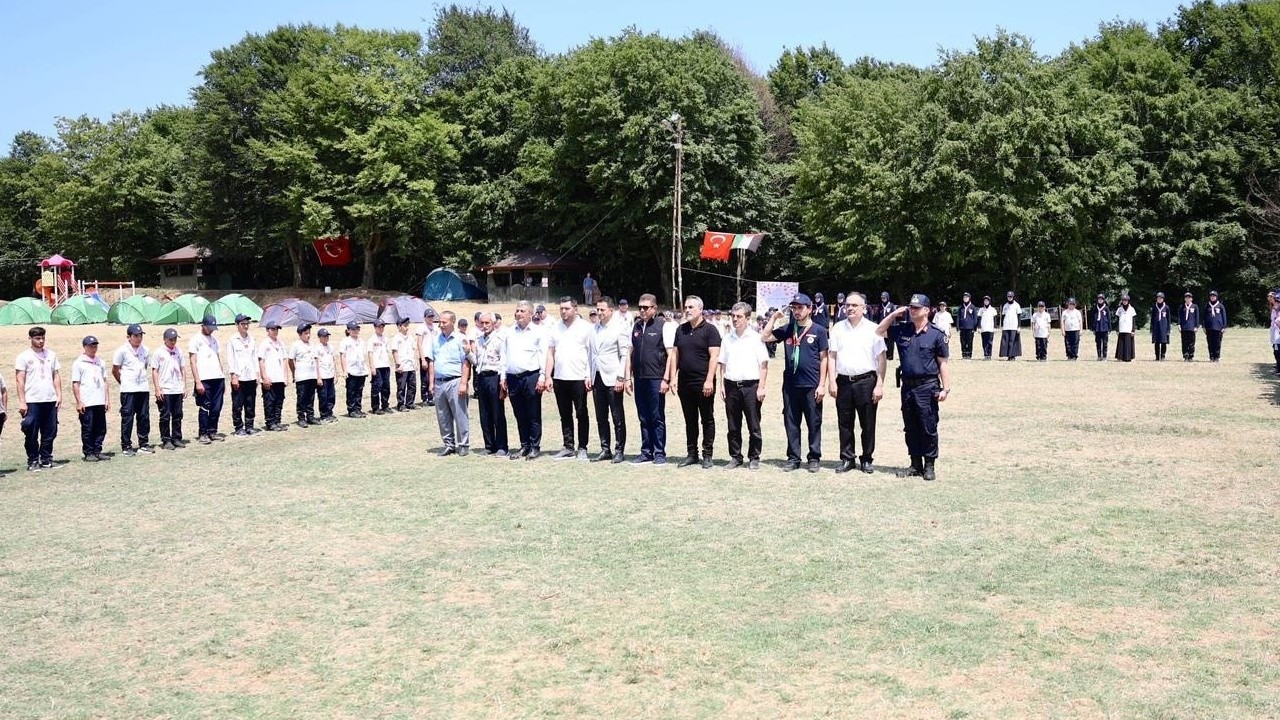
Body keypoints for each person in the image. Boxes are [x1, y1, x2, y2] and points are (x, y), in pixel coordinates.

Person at [877, 294, 951, 482]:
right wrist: (894, 314)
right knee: (910, 427)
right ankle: (915, 464)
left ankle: (929, 465)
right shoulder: (903, 330)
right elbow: (879, 331)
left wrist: (946, 389)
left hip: (928, 387)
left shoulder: (936, 334)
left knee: (928, 427)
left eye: (917, 307)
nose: (912, 310)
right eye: (910, 307)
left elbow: (943, 363)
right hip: (908, 387)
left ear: (927, 310)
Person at [764, 293, 829, 473]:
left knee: (814, 422)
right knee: (791, 422)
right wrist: (775, 317)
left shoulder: (819, 330)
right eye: (794, 308)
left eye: (800, 307)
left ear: (810, 309)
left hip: (811, 385)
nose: (797, 311)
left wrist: (822, 384)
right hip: (791, 386)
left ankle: (814, 457)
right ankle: (793, 457)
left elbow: (824, 359)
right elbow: (765, 336)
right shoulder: (788, 329)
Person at [827, 292, 885, 474]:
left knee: (867, 423)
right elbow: (832, 355)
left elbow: (882, 358)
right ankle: (847, 458)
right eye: (847, 305)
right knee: (845, 423)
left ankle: (867, 459)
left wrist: (880, 384)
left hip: (866, 381)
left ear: (864, 308)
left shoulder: (873, 329)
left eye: (854, 305)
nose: (850, 308)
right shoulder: (837, 328)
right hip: (843, 381)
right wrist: (831, 381)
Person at [670, 295, 721, 468]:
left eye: (691, 307)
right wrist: (672, 378)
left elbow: (714, 357)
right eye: (686, 307)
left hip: (703, 382)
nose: (687, 310)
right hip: (685, 383)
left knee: (707, 419)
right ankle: (692, 454)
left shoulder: (710, 330)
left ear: (700, 309)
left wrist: (709, 380)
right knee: (689, 419)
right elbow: (675, 355)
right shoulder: (681, 329)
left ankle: (707, 455)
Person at [717, 301, 768, 470]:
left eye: (739, 316)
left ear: (747, 318)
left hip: (751, 386)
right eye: (733, 316)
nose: (735, 319)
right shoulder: (727, 339)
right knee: (733, 425)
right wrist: (722, 385)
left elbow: (763, 365)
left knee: (753, 424)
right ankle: (735, 456)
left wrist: (761, 387)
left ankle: (754, 456)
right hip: (731, 386)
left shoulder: (756, 338)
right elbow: (722, 364)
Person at [627, 293, 676, 466]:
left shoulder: (664, 326)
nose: (642, 310)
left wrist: (666, 379)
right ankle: (646, 452)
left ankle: (659, 452)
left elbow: (671, 355)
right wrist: (627, 377)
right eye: (640, 307)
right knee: (643, 416)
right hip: (639, 378)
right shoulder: (636, 326)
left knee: (656, 416)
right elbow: (630, 353)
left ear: (654, 309)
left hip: (656, 378)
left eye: (646, 307)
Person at [544, 297, 593, 461]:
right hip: (559, 377)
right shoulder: (555, 327)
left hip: (579, 377)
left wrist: (588, 374)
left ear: (575, 309)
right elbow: (550, 353)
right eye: (561, 309)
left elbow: (590, 353)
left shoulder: (586, 327)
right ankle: (568, 446)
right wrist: (547, 376)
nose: (563, 311)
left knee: (581, 413)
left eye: (567, 308)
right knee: (564, 414)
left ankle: (582, 447)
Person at [502, 300, 548, 460]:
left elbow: (543, 355)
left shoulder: (538, 332)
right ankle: (524, 445)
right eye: (517, 311)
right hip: (513, 378)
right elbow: (504, 356)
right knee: (519, 414)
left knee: (533, 413)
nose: (519, 314)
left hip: (531, 377)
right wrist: (503, 376)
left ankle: (535, 447)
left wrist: (543, 376)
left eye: (522, 311)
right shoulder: (509, 332)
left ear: (530, 313)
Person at [589, 297, 629, 463]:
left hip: (613, 377)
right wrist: (588, 375)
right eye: (597, 309)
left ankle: (619, 450)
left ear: (611, 310)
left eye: (602, 310)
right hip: (597, 377)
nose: (599, 313)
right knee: (600, 416)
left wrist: (621, 377)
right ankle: (605, 448)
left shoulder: (619, 328)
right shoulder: (593, 329)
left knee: (617, 416)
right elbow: (590, 354)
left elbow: (624, 354)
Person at [16, 326, 62, 470]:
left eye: (42, 338)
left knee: (50, 431)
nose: (41, 341)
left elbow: (56, 376)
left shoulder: (51, 355)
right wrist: (22, 401)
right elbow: (19, 380)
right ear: (30, 339)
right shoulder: (23, 356)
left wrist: (59, 395)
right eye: (37, 338)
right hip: (32, 400)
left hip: (49, 399)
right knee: (31, 431)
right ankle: (33, 460)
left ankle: (46, 458)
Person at [428, 311, 471, 456]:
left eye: (444, 322)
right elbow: (432, 362)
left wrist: (463, 383)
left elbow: (466, 362)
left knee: (460, 414)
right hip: (439, 382)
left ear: (453, 322)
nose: (441, 325)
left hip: (455, 381)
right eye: (439, 322)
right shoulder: (435, 340)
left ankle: (463, 444)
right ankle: (449, 444)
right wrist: (431, 382)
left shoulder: (461, 339)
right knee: (442, 416)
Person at [470, 311, 510, 457]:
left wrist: (502, 381)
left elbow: (503, 361)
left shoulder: (499, 339)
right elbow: (477, 362)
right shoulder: (478, 339)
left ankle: (502, 446)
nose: (485, 326)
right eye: (482, 323)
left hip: (495, 377)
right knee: (484, 413)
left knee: (497, 413)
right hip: (482, 377)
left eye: (487, 323)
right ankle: (489, 445)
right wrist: (468, 353)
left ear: (493, 324)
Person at [112, 324, 153, 454]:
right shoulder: (122, 351)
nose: (138, 338)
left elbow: (145, 366)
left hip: (143, 388)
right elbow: (115, 370)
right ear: (128, 337)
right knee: (128, 418)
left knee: (143, 416)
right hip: (128, 389)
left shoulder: (145, 350)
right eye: (135, 336)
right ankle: (126, 445)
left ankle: (143, 443)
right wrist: (123, 382)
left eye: (140, 335)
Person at [189, 315, 226, 444]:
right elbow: (193, 362)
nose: (211, 330)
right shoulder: (195, 340)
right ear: (203, 325)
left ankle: (212, 431)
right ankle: (203, 433)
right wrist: (197, 381)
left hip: (218, 377)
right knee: (205, 406)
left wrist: (222, 374)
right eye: (209, 327)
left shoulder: (215, 341)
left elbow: (217, 358)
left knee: (217, 406)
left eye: (213, 328)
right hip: (204, 378)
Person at [72, 336, 109, 463]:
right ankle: (88, 452)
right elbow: (75, 383)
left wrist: (107, 399)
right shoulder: (79, 363)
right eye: (91, 346)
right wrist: (79, 401)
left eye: (95, 346)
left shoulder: (100, 362)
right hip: (87, 401)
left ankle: (97, 450)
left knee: (101, 428)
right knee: (88, 428)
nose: (93, 348)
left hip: (99, 400)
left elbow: (105, 381)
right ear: (85, 347)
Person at [149, 328, 187, 449]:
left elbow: (183, 369)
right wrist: (157, 388)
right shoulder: (158, 352)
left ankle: (176, 438)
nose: (173, 341)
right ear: (165, 339)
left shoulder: (179, 351)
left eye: (175, 339)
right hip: (165, 388)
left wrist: (184, 386)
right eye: (170, 339)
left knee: (178, 415)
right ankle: (166, 439)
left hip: (177, 388)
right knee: (165, 415)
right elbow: (155, 371)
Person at [225, 314, 259, 436]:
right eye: (243, 324)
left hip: (250, 376)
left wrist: (256, 374)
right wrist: (233, 375)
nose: (245, 326)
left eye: (247, 324)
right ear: (237, 325)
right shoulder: (233, 340)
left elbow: (254, 357)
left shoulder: (252, 339)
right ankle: (239, 427)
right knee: (237, 404)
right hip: (239, 376)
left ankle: (250, 426)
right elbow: (231, 359)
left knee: (250, 403)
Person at [256, 321, 289, 432]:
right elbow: (261, 361)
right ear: (268, 330)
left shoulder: (281, 343)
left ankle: (277, 421)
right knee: (269, 401)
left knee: (279, 400)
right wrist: (264, 376)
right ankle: (270, 422)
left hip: (279, 377)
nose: (275, 331)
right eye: (273, 329)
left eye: (277, 329)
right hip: (269, 377)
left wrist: (285, 376)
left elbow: (285, 360)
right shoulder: (265, 344)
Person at [289, 323, 319, 427]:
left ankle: (310, 416)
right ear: (300, 334)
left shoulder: (311, 345)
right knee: (301, 398)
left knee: (311, 397)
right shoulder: (296, 345)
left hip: (311, 375)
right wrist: (294, 372)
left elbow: (315, 360)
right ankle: (301, 417)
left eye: (309, 333)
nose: (308, 335)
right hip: (301, 376)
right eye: (306, 333)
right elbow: (290, 360)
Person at [337, 322, 368, 418]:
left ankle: (358, 409)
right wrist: (344, 370)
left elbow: (362, 356)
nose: (356, 331)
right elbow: (343, 356)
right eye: (353, 329)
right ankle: (351, 410)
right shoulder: (345, 341)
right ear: (348, 330)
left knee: (359, 390)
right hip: (351, 370)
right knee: (351, 391)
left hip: (360, 370)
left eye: (357, 329)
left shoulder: (361, 341)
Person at [391, 317, 418, 411]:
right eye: (405, 326)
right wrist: (398, 364)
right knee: (401, 387)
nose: (407, 327)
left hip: (410, 365)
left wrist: (415, 362)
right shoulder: (396, 338)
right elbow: (394, 351)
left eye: (407, 325)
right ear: (399, 327)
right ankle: (401, 404)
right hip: (402, 366)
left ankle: (410, 403)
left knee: (412, 386)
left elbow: (413, 350)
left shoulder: (410, 337)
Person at [367, 319, 392, 414]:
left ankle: (385, 405)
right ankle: (375, 407)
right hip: (377, 366)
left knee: (386, 387)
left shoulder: (386, 339)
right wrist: (372, 367)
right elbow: (370, 353)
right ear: (375, 328)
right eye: (379, 327)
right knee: (376, 387)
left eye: (382, 326)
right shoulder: (372, 339)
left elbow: (387, 352)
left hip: (385, 365)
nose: (381, 328)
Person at [314, 328, 338, 423]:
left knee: (331, 396)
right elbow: (316, 363)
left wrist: (335, 374)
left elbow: (333, 361)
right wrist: (318, 377)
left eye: (327, 336)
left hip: (330, 375)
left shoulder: (330, 347)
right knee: (323, 396)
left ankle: (330, 413)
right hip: (322, 376)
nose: (326, 338)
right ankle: (324, 415)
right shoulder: (317, 348)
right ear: (319, 337)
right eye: (324, 336)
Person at [417, 308, 438, 408]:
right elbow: (419, 344)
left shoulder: (435, 328)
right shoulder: (421, 327)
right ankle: (424, 398)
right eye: (429, 316)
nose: (431, 318)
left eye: (432, 316)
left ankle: (431, 397)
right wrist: (422, 359)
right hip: (425, 355)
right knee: (425, 378)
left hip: (433, 355)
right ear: (425, 317)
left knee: (432, 377)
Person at [1204, 290, 1227, 362]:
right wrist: (1204, 326)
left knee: (1217, 343)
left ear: (1216, 297)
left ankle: (1217, 357)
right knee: (1210, 343)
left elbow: (1224, 317)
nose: (1212, 297)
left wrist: (1224, 327)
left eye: (1214, 296)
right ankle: (1211, 357)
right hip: (1209, 327)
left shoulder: (1220, 306)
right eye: (1211, 296)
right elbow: (1204, 316)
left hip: (1218, 327)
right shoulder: (1207, 305)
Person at [999, 291, 1022, 360]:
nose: (1009, 298)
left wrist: (1019, 326)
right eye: (1008, 297)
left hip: (1014, 326)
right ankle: (1007, 355)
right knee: (1006, 341)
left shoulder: (1016, 305)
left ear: (1013, 297)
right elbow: (1003, 316)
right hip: (1006, 326)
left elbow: (1019, 316)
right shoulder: (1005, 305)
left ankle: (1012, 356)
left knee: (1013, 341)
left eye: (1011, 297)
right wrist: (1002, 326)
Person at [955, 292, 978, 359]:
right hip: (962, 327)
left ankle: (969, 354)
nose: (965, 298)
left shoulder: (972, 307)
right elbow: (958, 317)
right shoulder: (961, 307)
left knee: (970, 341)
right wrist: (957, 326)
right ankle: (964, 354)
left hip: (970, 328)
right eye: (964, 297)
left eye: (966, 297)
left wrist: (974, 327)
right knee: (963, 341)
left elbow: (975, 318)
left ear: (969, 298)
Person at [1115, 294, 1137, 362]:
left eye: (1126, 300)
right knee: (1121, 343)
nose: (1124, 302)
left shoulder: (1131, 309)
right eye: (1123, 300)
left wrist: (1133, 330)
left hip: (1128, 328)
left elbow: (1133, 320)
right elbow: (1117, 319)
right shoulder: (1119, 309)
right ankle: (1120, 357)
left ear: (1128, 301)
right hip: (1121, 328)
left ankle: (1128, 358)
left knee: (1128, 344)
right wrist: (1117, 329)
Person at [1179, 291, 1200, 361]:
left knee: (1191, 343)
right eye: (1186, 298)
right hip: (1184, 327)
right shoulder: (1182, 307)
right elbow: (1179, 317)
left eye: (1189, 298)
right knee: (1184, 342)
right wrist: (1179, 325)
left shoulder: (1195, 306)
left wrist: (1196, 326)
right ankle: (1185, 356)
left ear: (1191, 299)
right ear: (1185, 299)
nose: (1188, 299)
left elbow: (1197, 317)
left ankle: (1191, 356)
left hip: (1192, 328)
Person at [1150, 292, 1172, 360]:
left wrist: (1168, 329)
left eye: (1160, 298)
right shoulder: (1154, 307)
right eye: (1158, 298)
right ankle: (1157, 356)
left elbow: (1168, 319)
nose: (1159, 299)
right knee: (1156, 342)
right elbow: (1152, 318)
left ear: (1163, 299)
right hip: (1156, 327)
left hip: (1164, 327)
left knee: (1163, 342)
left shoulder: (1166, 307)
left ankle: (1162, 356)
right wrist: (1151, 328)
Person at [1091, 294, 1112, 361]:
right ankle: (1099, 356)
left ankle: (1105, 356)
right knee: (1098, 343)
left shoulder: (1106, 308)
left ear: (1104, 300)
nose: (1100, 300)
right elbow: (1093, 319)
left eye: (1101, 299)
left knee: (1105, 343)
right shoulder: (1095, 308)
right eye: (1099, 299)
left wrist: (1109, 328)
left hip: (1104, 328)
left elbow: (1109, 318)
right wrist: (1093, 328)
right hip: (1097, 328)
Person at [976, 295, 997, 360]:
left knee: (990, 342)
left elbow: (995, 319)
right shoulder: (981, 310)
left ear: (989, 301)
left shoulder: (993, 309)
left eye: (987, 300)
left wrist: (995, 327)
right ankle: (985, 355)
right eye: (985, 300)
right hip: (983, 328)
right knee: (984, 342)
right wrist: (979, 327)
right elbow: (979, 319)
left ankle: (989, 355)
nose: (986, 302)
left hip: (990, 328)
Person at [879, 292, 898, 361]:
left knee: (890, 341)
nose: (883, 299)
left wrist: (893, 325)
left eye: (884, 298)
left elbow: (894, 316)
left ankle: (890, 355)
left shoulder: (891, 305)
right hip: (883, 326)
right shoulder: (880, 306)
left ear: (887, 298)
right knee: (883, 341)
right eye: (882, 298)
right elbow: (879, 315)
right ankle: (885, 355)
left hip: (890, 326)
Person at [1270, 289, 1280, 375]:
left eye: (1278, 301)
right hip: (1275, 335)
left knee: (1278, 352)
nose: (1276, 303)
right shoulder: (1275, 310)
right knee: (1276, 351)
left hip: (1278, 336)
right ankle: (1278, 367)